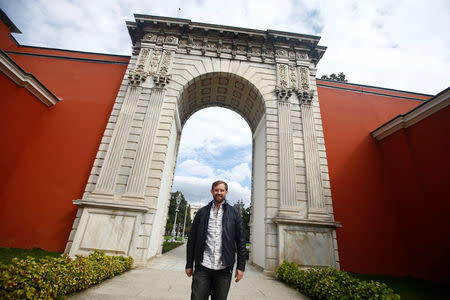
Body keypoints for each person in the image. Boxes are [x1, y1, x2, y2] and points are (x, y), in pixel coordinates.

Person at [185, 180, 247, 300]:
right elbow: (192, 240)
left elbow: (241, 242)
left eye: (222, 190)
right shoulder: (202, 212)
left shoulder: (235, 213)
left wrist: (241, 267)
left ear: (226, 192)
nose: (219, 192)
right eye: (216, 190)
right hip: (203, 266)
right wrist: (189, 264)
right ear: (212, 191)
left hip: (224, 268)